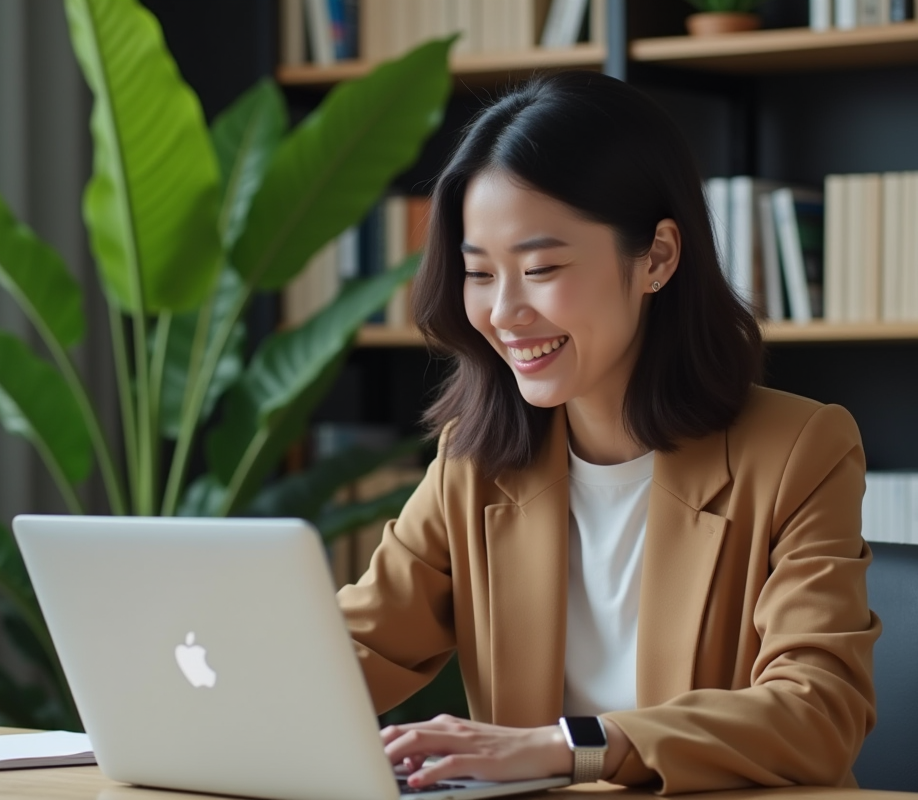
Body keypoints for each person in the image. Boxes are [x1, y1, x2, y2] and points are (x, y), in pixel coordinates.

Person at [336, 71, 880, 795]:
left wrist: (571, 747)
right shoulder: (477, 458)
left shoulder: (798, 450)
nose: (504, 312)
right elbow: (356, 648)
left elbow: (819, 711)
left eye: (541, 268)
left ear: (656, 257)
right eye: (478, 274)